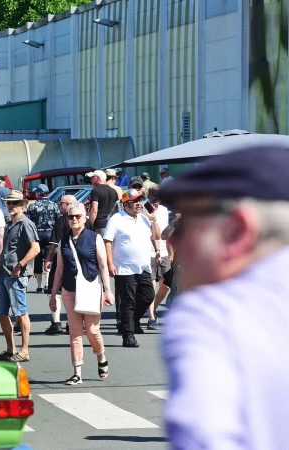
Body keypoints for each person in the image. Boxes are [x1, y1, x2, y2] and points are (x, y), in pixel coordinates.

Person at [155, 147, 289, 449]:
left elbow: (202, 436)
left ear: (238, 230)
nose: (177, 242)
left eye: (189, 226)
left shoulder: (212, 312)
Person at [49, 202, 114, 385]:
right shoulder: (64, 241)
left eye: (78, 216)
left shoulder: (94, 238)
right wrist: (53, 295)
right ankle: (77, 372)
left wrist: (107, 290)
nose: (74, 219)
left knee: (92, 330)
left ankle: (100, 355)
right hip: (70, 290)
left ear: (85, 218)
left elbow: (103, 266)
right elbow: (59, 270)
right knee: (75, 332)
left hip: (91, 289)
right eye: (71, 217)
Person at [104, 188, 160, 347]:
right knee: (128, 301)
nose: (138, 204)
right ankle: (128, 335)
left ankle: (131, 321)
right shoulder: (116, 219)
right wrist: (110, 263)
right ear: (125, 204)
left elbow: (157, 236)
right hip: (124, 268)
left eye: (139, 200)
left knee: (148, 296)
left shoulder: (144, 219)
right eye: (134, 201)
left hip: (143, 267)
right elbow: (107, 241)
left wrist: (153, 219)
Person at [0, 190, 39, 362]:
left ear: (22, 205)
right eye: (9, 203)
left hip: (16, 274)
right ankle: (11, 349)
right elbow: (6, 250)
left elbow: (35, 248)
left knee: (20, 312)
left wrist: (20, 265)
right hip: (3, 273)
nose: (11, 206)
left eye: (15, 203)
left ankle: (24, 350)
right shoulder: (9, 223)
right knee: (1, 313)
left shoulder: (25, 223)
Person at [42, 195, 83, 335]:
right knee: (76, 292)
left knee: (55, 290)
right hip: (79, 262)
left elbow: (55, 243)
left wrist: (48, 259)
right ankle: (73, 322)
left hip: (62, 260)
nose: (60, 206)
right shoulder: (85, 221)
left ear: (68, 204)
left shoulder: (61, 220)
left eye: (61, 203)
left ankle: (56, 322)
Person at [145, 187, 170, 330]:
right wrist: (156, 251)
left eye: (159, 198)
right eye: (154, 197)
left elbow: (165, 232)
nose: (156, 201)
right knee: (151, 286)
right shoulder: (143, 209)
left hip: (164, 251)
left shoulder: (164, 210)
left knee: (166, 285)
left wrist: (169, 251)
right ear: (149, 196)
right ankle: (151, 318)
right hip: (148, 251)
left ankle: (153, 309)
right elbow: (151, 233)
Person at [27, 184, 59, 292]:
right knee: (49, 258)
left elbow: (29, 222)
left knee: (37, 259)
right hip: (51, 234)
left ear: (38, 193)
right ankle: (47, 283)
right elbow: (58, 221)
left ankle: (39, 285)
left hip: (37, 234)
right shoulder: (54, 205)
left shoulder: (32, 206)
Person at [87, 169, 117, 236]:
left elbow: (94, 210)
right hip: (112, 224)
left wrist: (89, 225)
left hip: (100, 225)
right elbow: (116, 208)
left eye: (92, 177)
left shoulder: (95, 190)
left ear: (98, 178)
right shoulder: (113, 191)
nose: (91, 180)